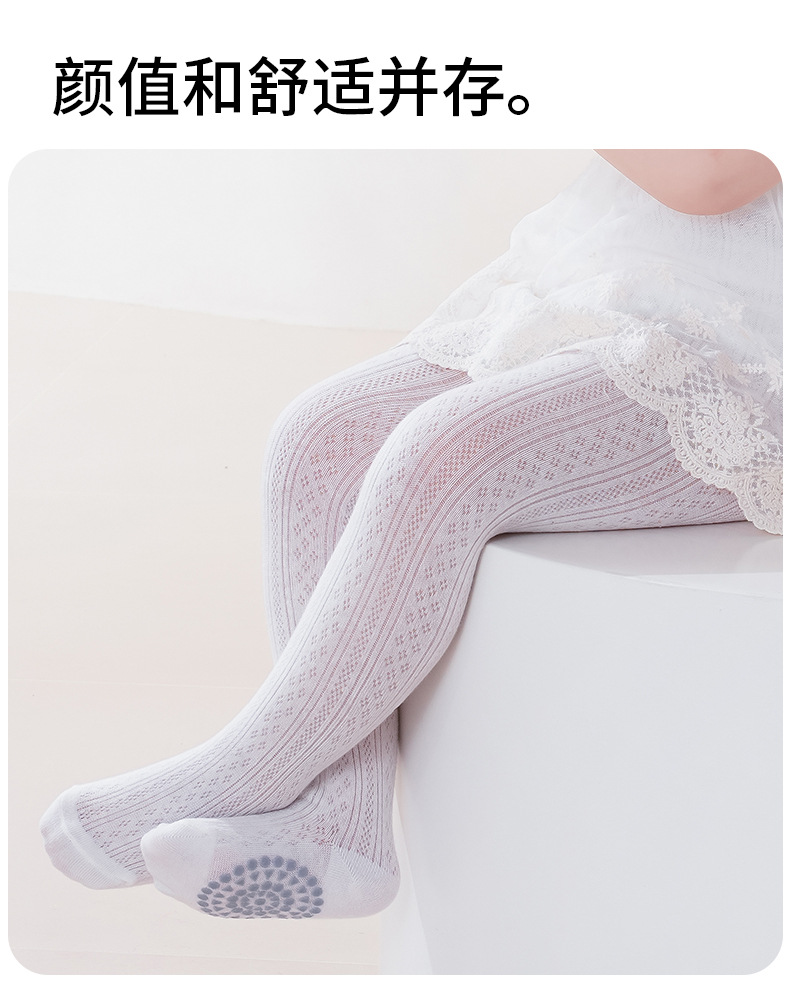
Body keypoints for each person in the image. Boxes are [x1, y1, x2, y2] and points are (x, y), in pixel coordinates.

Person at [41, 149, 782, 921]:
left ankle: (243, 770)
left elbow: (713, 176)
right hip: (629, 267)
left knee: (447, 453)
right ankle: (341, 821)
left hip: (758, 328)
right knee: (317, 442)